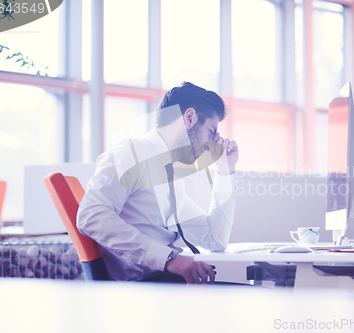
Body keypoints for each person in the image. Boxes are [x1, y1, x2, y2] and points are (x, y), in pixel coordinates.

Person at [77, 82, 238, 284]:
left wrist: (225, 172)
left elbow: (215, 240)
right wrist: (168, 259)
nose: (214, 143)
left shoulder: (171, 180)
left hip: (162, 284)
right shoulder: (132, 152)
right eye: (211, 131)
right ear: (190, 118)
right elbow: (91, 215)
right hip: (147, 288)